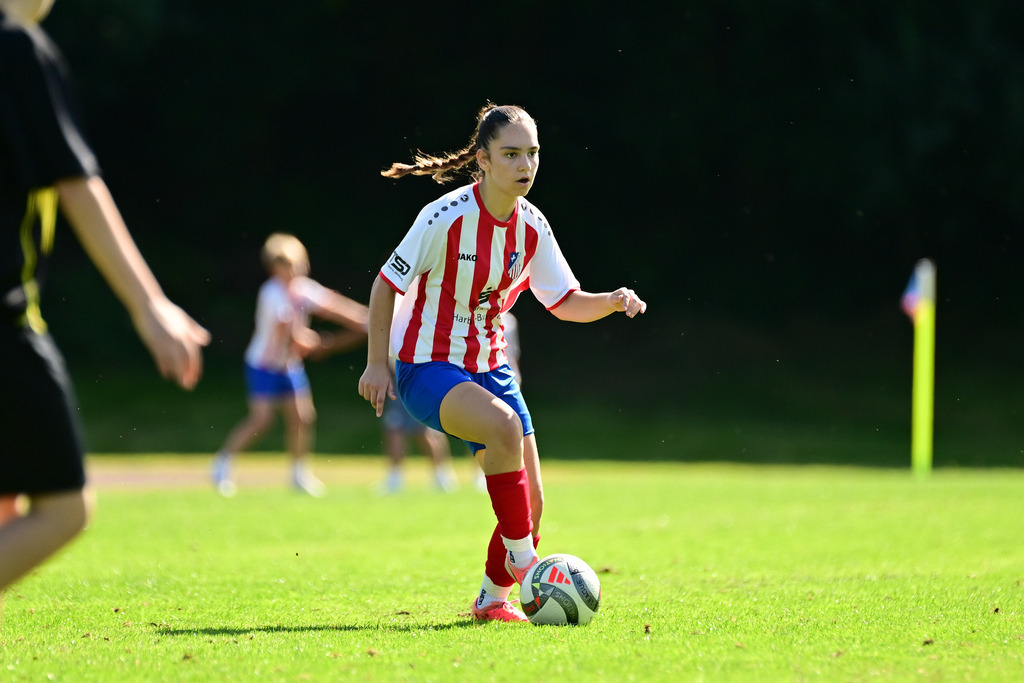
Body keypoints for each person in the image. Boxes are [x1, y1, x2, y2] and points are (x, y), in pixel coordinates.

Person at [358, 104, 646, 623]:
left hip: (490, 368)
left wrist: (610, 299)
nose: (524, 165)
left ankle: (493, 601)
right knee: (504, 428)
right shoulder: (444, 218)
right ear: (483, 160)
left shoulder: (533, 225)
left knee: (532, 509)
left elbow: (564, 301)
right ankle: (528, 566)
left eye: (532, 153)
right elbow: (385, 283)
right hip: (427, 365)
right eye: (511, 154)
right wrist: (377, 363)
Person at [0, 0, 210, 608]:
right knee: (63, 509)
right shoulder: (16, 47)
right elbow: (77, 182)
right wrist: (149, 305)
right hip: (3, 322)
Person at [212, 233, 368, 497]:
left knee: (302, 417)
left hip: (288, 366)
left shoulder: (304, 288)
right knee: (262, 419)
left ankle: (298, 475)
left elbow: (336, 306)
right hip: (263, 364)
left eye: (297, 264)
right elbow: (291, 334)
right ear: (275, 268)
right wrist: (318, 343)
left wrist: (367, 318)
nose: (294, 270)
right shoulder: (272, 293)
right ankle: (222, 463)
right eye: (287, 265)